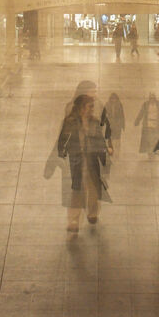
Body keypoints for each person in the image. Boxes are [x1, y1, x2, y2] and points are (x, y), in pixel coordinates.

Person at [57, 94, 112, 232]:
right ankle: (73, 221)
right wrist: (62, 151)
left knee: (93, 188)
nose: (92, 109)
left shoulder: (94, 122)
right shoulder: (70, 122)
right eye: (90, 106)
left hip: (92, 160)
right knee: (77, 190)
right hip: (77, 160)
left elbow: (99, 140)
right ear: (81, 108)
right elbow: (63, 137)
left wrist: (105, 153)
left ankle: (92, 213)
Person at [134, 92, 159, 158]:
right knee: (149, 139)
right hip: (148, 124)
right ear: (149, 98)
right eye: (151, 98)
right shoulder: (146, 104)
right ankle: (150, 153)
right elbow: (141, 113)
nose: (152, 100)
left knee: (156, 138)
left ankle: (155, 151)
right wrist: (137, 121)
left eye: (153, 98)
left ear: (155, 98)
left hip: (156, 124)